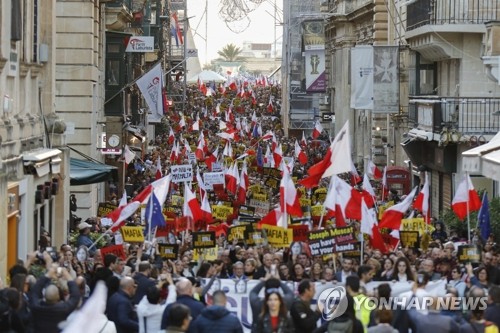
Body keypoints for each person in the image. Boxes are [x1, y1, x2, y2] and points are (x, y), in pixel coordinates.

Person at [30, 263, 81, 333]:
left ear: (44, 296)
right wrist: (67, 275)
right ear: (58, 297)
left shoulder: (36, 307)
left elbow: (35, 291)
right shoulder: (63, 309)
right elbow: (75, 296)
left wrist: (49, 274)